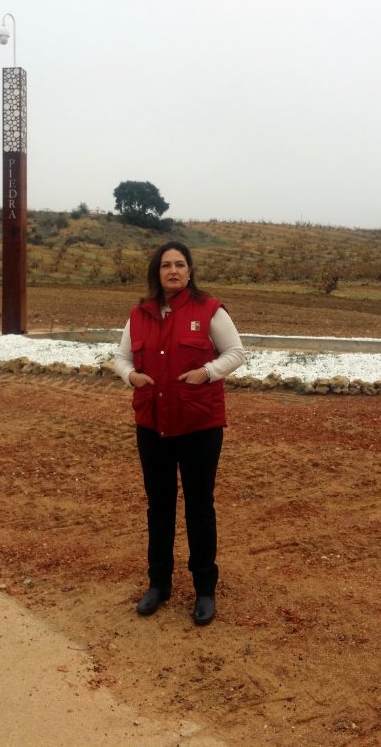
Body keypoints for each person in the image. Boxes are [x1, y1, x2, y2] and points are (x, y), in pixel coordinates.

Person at [114, 240, 245, 625]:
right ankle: (159, 584)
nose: (173, 271)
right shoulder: (139, 314)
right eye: (166, 265)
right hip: (152, 424)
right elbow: (120, 357)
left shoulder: (209, 310)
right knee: (159, 505)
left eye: (180, 265)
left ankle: (205, 588)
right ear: (157, 272)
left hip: (199, 425)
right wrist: (130, 375)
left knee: (199, 506)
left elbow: (235, 353)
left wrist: (207, 372)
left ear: (190, 272)